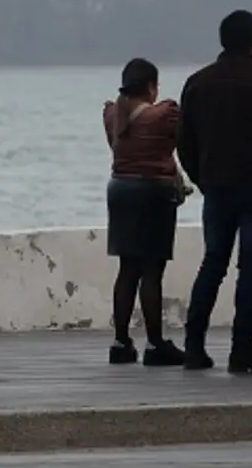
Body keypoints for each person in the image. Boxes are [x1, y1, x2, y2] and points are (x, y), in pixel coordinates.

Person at [178, 9, 252, 373]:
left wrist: (202, 177)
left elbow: (184, 143)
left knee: (213, 263)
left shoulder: (197, 84)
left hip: (216, 188)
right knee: (251, 269)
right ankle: (241, 349)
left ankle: (194, 345)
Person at [103, 58, 186, 367]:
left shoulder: (113, 114)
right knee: (152, 270)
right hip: (153, 192)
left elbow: (116, 147)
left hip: (120, 190)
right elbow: (176, 141)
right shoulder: (163, 114)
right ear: (151, 86)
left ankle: (121, 342)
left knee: (127, 269)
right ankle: (155, 343)